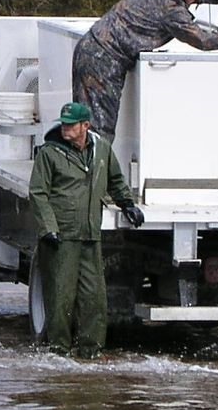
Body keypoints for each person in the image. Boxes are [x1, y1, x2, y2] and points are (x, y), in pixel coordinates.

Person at [72, 0, 218, 137]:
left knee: (80, 126)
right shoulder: (172, 11)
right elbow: (203, 40)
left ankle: (77, 172)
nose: (195, 2)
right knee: (98, 132)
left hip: (90, 47)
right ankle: (91, 174)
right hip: (103, 62)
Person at [30, 102, 144, 358]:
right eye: (63, 124)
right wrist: (48, 228)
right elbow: (38, 193)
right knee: (61, 298)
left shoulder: (101, 149)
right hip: (61, 237)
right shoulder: (49, 153)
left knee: (94, 298)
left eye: (71, 125)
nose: (65, 128)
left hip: (91, 235)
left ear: (85, 126)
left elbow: (115, 180)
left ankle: (91, 350)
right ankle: (59, 351)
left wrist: (127, 204)